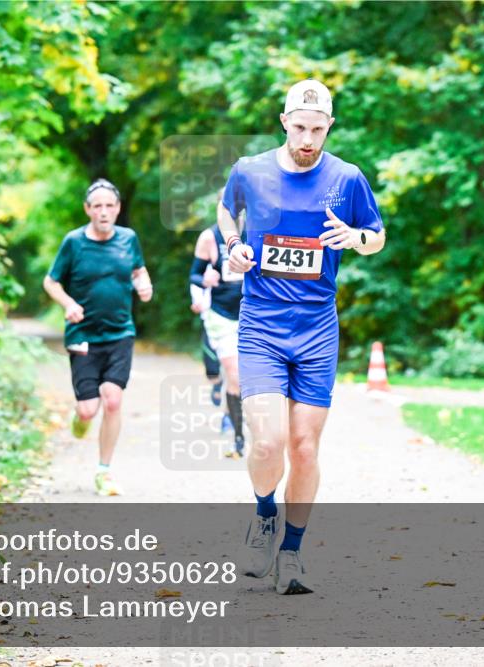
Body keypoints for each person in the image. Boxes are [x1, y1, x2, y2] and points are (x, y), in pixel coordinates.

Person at [217, 79, 386, 594]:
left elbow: (376, 235)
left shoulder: (347, 178)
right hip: (263, 324)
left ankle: (291, 553)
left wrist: (356, 239)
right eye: (300, 127)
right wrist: (233, 245)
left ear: (329, 126)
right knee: (267, 442)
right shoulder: (250, 170)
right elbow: (228, 211)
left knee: (305, 448)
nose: (309, 138)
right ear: (284, 122)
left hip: (317, 328)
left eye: (318, 128)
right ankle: (265, 514)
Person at [43, 178, 153, 496]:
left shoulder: (128, 239)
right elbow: (51, 282)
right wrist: (69, 304)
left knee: (114, 400)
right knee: (88, 409)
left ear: (118, 209)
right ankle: (81, 418)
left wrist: (144, 285)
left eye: (110, 206)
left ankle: (104, 471)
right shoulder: (73, 243)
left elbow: (138, 271)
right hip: (82, 335)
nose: (104, 212)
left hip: (120, 332)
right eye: (97, 206)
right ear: (88, 210)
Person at [189, 189, 246, 456]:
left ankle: (229, 407)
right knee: (234, 375)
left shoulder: (258, 233)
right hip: (221, 314)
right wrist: (205, 281)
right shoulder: (209, 237)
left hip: (253, 313)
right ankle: (238, 438)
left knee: (243, 378)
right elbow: (194, 275)